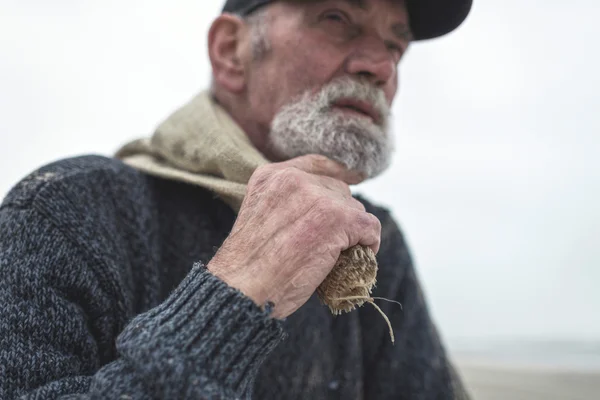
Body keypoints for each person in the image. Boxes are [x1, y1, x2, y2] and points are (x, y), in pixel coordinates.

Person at [0, 0, 473, 398]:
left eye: (396, 44)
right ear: (231, 50)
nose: (381, 66)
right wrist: (243, 289)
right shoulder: (64, 208)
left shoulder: (374, 240)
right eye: (337, 18)